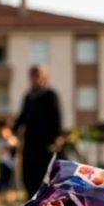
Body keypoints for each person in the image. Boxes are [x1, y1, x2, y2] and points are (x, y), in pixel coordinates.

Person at [14, 65, 63, 196]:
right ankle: (31, 203)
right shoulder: (28, 97)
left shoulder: (50, 95)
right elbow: (22, 117)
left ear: (44, 78)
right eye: (33, 76)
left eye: (38, 76)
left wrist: (57, 137)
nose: (35, 79)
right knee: (29, 176)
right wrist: (12, 131)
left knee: (45, 176)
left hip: (46, 145)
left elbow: (57, 118)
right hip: (30, 144)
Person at [0, 119, 18, 198]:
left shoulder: (11, 139)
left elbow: (15, 144)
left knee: (10, 182)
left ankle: (10, 195)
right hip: (1, 164)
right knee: (0, 180)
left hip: (10, 165)